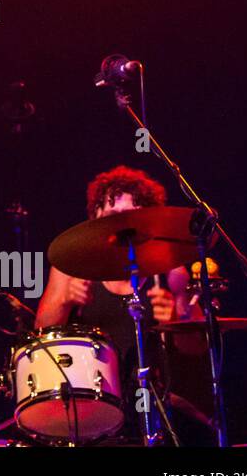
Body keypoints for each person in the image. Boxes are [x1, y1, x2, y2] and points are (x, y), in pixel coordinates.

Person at [36, 165, 209, 443]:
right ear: (94, 219)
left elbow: (198, 347)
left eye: (129, 218)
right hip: (92, 403)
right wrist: (64, 301)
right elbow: (42, 333)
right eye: (111, 217)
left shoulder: (170, 270)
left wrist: (178, 318)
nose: (120, 227)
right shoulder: (71, 267)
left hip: (155, 404)